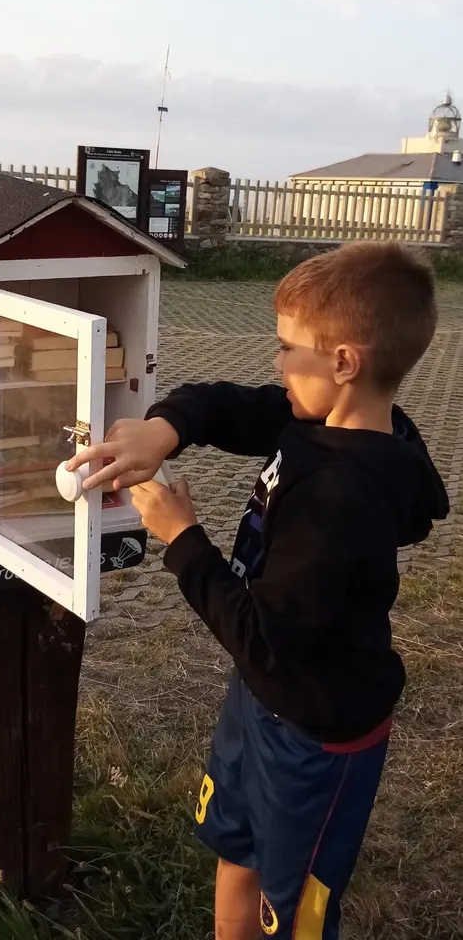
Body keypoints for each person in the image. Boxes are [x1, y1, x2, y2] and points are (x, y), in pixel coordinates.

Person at [67, 242, 449, 940]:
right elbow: (227, 406)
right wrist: (163, 429)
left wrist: (181, 538)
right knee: (234, 846)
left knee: (291, 907)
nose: (275, 364)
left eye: (285, 349)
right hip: (259, 701)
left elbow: (262, 640)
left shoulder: (341, 499)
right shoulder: (316, 418)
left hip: (313, 731)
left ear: (342, 362)